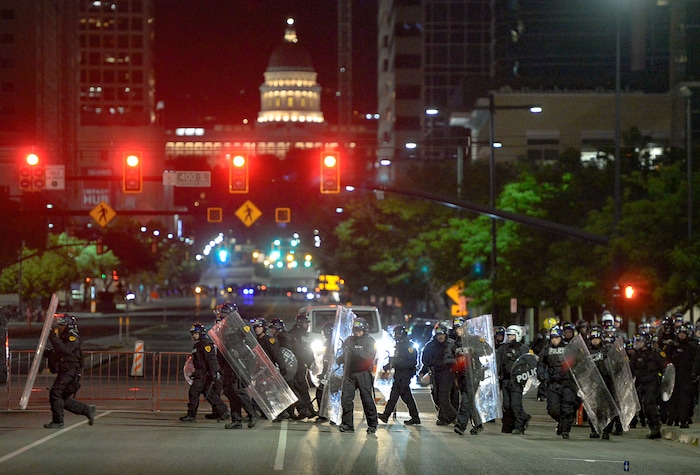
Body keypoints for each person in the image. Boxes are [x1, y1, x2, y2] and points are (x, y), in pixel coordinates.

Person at [44, 314, 96, 428]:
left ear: (68, 326)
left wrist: (53, 338)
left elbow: (66, 350)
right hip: (67, 370)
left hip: (70, 371)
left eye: (62, 326)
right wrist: (50, 353)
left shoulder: (72, 337)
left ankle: (58, 421)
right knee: (62, 398)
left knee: (56, 393)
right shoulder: (65, 337)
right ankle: (87, 410)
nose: (60, 328)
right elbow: (61, 352)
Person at [212, 303, 257, 429]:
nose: (223, 316)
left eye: (225, 314)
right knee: (229, 391)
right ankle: (236, 419)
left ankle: (252, 414)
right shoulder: (224, 327)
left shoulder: (243, 324)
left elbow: (251, 343)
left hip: (240, 363)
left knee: (237, 390)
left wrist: (239, 350)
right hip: (228, 364)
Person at [180, 323, 229, 422]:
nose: (194, 336)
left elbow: (211, 360)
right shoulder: (199, 344)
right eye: (193, 333)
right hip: (201, 374)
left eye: (196, 333)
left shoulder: (205, 344)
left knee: (194, 392)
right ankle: (222, 411)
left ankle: (191, 415)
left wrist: (214, 373)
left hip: (203, 375)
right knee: (209, 394)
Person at [337, 317, 379, 434]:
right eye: (355, 330)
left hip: (363, 373)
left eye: (359, 330)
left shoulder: (370, 342)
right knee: (346, 399)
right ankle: (347, 424)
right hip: (349, 373)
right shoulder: (349, 340)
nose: (357, 332)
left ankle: (372, 424)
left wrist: (355, 351)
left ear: (364, 330)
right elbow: (344, 353)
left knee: (366, 399)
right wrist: (340, 359)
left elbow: (368, 357)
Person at [536, 325, 576, 439]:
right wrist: (541, 374)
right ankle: (562, 423)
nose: (554, 340)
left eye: (556, 337)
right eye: (552, 337)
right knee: (552, 409)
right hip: (553, 382)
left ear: (561, 337)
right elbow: (541, 363)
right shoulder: (547, 349)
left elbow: (577, 363)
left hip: (567, 383)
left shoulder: (569, 348)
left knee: (567, 407)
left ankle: (565, 430)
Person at [452, 317, 489, 436]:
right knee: (470, 402)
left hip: (474, 374)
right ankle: (478, 425)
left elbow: (488, 349)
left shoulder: (474, 339)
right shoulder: (455, 343)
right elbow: (449, 358)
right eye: (456, 329)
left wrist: (474, 350)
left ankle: (460, 425)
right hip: (462, 376)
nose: (458, 331)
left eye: (460, 328)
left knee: (466, 400)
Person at [377, 325, 421, 425]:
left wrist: (397, 364)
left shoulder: (409, 347)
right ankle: (387, 415)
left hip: (404, 375)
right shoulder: (400, 346)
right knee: (398, 396)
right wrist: (388, 366)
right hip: (399, 375)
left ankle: (387, 415)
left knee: (402, 396)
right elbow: (395, 359)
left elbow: (412, 363)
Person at [418, 322, 457, 425]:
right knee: (436, 397)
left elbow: (458, 358)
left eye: (442, 334)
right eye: (438, 334)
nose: (440, 337)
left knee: (443, 397)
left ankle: (451, 417)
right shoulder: (430, 346)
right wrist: (423, 371)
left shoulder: (451, 344)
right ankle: (447, 416)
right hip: (435, 374)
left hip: (447, 374)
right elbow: (426, 361)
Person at [497, 324, 532, 435]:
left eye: (511, 335)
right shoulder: (503, 348)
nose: (509, 338)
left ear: (517, 335)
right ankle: (508, 425)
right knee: (506, 405)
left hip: (517, 380)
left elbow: (531, 364)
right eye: (508, 335)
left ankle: (519, 426)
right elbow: (498, 363)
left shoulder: (524, 349)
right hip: (506, 380)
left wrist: (524, 377)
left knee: (515, 404)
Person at [253, 317, 290, 422]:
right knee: (260, 391)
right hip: (260, 370)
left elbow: (276, 354)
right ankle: (266, 411)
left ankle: (282, 412)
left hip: (269, 369)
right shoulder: (257, 340)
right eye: (255, 327)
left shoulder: (269, 340)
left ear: (264, 328)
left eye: (259, 327)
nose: (257, 329)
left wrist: (282, 367)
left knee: (273, 392)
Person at [630, 332, 666, 439]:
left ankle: (656, 426)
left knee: (649, 403)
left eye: (640, 341)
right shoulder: (636, 355)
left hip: (653, 383)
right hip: (641, 383)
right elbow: (631, 369)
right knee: (645, 407)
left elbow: (665, 368)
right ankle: (653, 427)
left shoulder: (656, 353)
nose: (638, 343)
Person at [667, 322, 697, 428]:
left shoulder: (691, 346)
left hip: (686, 376)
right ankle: (672, 418)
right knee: (673, 398)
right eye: (680, 333)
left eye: (684, 333)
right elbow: (666, 359)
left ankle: (683, 420)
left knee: (685, 399)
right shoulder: (672, 346)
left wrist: (694, 373)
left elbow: (696, 361)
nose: (682, 335)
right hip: (673, 376)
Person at [287, 313, 317, 419]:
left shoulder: (305, 335)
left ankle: (309, 409)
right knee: (299, 388)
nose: (307, 325)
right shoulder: (292, 334)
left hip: (302, 366)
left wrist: (313, 364)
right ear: (300, 323)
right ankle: (303, 409)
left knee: (303, 388)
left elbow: (308, 352)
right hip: (295, 366)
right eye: (306, 323)